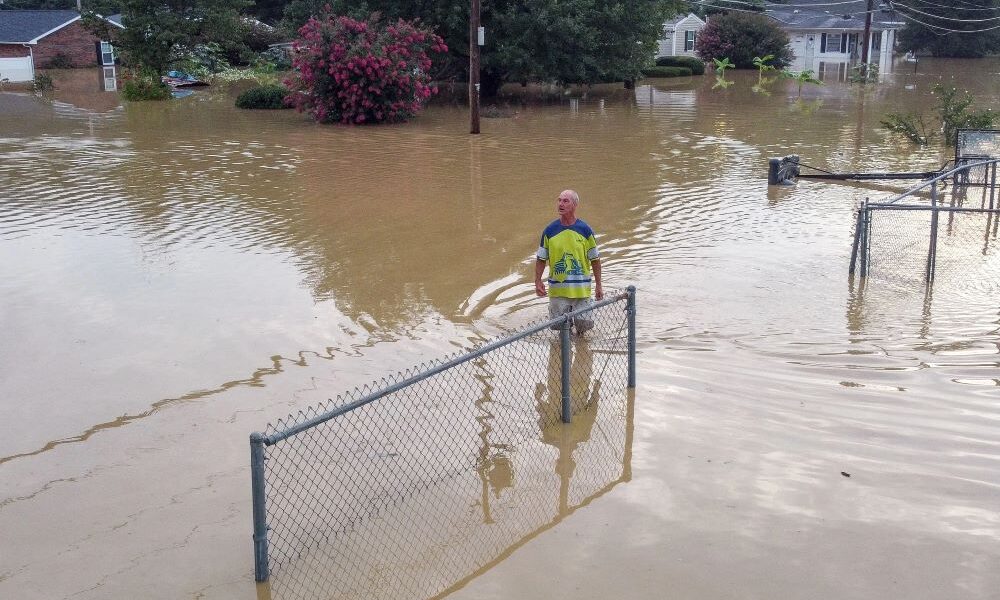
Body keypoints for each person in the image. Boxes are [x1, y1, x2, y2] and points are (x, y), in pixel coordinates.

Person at [534, 189, 603, 333]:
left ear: (575, 205)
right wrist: (537, 281)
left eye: (565, 201)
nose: (560, 204)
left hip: (581, 292)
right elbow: (541, 259)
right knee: (561, 332)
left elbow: (595, 260)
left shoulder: (585, 231)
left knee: (583, 331)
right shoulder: (549, 231)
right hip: (558, 292)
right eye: (559, 200)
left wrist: (599, 285)